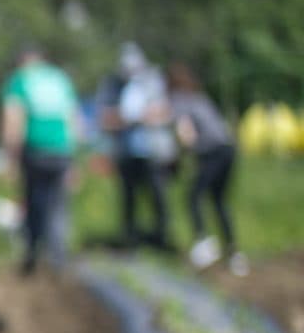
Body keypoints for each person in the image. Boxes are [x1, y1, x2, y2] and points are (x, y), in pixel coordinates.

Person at [0, 47, 80, 275]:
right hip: (62, 149)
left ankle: (32, 255)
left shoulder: (19, 81)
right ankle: (58, 257)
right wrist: (74, 158)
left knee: (34, 202)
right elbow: (73, 118)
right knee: (58, 205)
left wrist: (11, 158)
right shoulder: (60, 79)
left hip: (35, 149)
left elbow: (13, 119)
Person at [167, 63, 245, 276]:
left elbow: (186, 134)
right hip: (229, 150)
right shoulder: (200, 97)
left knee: (193, 196)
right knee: (219, 200)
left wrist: (176, 159)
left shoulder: (179, 101)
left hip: (212, 153)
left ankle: (204, 243)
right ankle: (234, 254)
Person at [100, 43, 175, 250]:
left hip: (153, 151)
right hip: (126, 152)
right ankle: (130, 239)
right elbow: (106, 118)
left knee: (158, 196)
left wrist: (139, 117)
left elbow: (163, 112)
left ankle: (162, 237)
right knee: (128, 199)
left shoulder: (152, 82)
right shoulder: (113, 86)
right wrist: (129, 119)